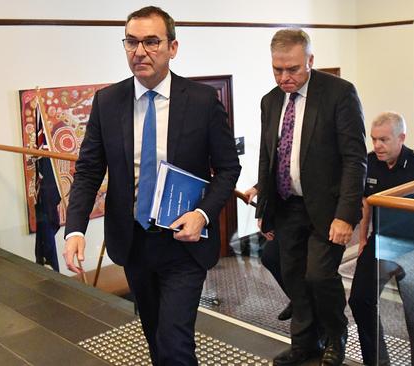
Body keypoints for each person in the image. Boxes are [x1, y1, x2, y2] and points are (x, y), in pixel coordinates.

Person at [62, 6, 241, 365]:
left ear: (172, 48)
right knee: (156, 338)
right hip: (134, 242)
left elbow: (227, 169)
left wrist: (203, 214)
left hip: (184, 243)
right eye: (131, 42)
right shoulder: (108, 101)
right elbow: (89, 170)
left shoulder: (203, 101)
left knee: (175, 343)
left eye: (151, 42)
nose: (139, 51)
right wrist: (74, 229)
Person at [256, 28, 367, 366]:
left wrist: (346, 215)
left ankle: (336, 334)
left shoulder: (339, 93)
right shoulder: (270, 100)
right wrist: (265, 209)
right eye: (278, 69)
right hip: (288, 206)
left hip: (328, 209)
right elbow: (267, 156)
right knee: (294, 277)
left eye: (292, 69)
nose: (284, 77)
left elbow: (354, 158)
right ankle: (305, 342)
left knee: (319, 276)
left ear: (310, 61)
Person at [348, 111, 414, 366]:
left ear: (401, 137)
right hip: (382, 241)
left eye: (384, 140)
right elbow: (366, 202)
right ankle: (377, 361)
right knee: (360, 300)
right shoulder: (370, 162)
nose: (377, 146)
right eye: (374, 139)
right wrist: (362, 239)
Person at [243, 186, 292, 321]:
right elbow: (280, 168)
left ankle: (330, 321)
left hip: (314, 208)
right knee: (271, 257)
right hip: (286, 208)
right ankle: (299, 300)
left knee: (317, 273)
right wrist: (257, 188)